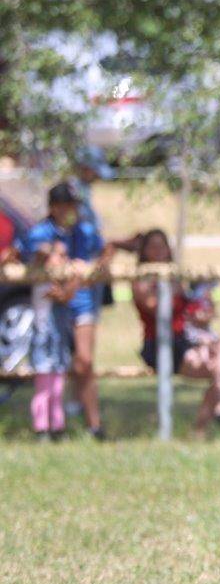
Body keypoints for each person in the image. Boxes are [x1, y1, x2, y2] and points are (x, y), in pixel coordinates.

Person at [132, 229, 220, 438]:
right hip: (161, 345)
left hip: (186, 340)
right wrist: (174, 289)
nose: (158, 251)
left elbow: (188, 311)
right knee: (219, 367)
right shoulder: (141, 280)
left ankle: (210, 418)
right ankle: (213, 415)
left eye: (162, 246)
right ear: (144, 251)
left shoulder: (176, 277)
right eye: (153, 246)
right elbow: (155, 307)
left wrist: (201, 313)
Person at [18, 182, 111, 440]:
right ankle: (50, 423)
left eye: (74, 206)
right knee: (51, 363)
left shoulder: (86, 231)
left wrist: (91, 270)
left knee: (84, 361)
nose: (72, 211)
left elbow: (104, 252)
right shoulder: (41, 232)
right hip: (53, 306)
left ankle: (93, 424)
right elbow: (31, 255)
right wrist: (51, 254)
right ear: (54, 208)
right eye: (66, 206)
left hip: (82, 302)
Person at [66, 145, 115, 425]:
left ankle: (78, 403)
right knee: (80, 353)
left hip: (89, 282)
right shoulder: (75, 194)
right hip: (78, 284)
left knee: (83, 352)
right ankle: (77, 406)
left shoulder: (85, 193)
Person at [24, 239, 77, 441]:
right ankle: (41, 427)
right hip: (44, 341)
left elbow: (68, 294)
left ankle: (57, 426)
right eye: (60, 255)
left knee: (57, 388)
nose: (64, 259)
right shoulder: (40, 278)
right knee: (44, 388)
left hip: (59, 341)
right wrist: (44, 252)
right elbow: (37, 259)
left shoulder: (64, 283)